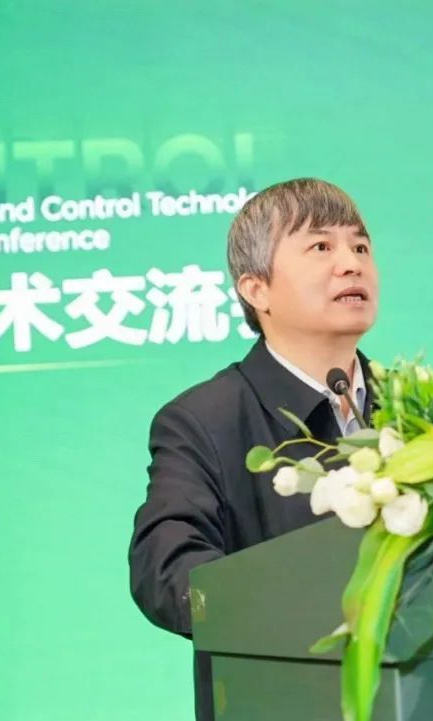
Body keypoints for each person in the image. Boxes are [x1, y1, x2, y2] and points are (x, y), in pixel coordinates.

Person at [127, 177, 380, 721]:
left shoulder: (416, 407)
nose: (351, 264)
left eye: (360, 247)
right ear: (256, 289)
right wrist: (301, 608)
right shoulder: (202, 422)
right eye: (321, 246)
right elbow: (165, 570)